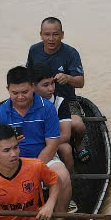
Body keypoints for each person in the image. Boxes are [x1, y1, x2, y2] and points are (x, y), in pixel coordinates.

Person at [0, 65, 76, 220]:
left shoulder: (47, 108)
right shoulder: (2, 113)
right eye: (15, 93)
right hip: (13, 157)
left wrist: (33, 169)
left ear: (32, 87)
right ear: (8, 90)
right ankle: (3, 219)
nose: (20, 97)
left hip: (44, 156)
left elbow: (52, 145)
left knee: (63, 175)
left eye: (25, 92)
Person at [27, 17, 88, 161]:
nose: (51, 39)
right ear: (41, 35)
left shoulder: (71, 53)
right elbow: (28, 77)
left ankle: (78, 144)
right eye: (47, 34)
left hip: (66, 100)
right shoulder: (34, 50)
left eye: (55, 34)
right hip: (39, 99)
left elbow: (80, 83)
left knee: (78, 125)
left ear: (62, 34)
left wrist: (68, 78)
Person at [32, 65, 74, 174]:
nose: (51, 88)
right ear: (33, 86)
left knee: (66, 149)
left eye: (52, 83)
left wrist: (47, 144)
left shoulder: (60, 102)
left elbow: (65, 135)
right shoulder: (24, 103)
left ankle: (69, 177)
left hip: (53, 140)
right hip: (33, 142)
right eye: (45, 85)